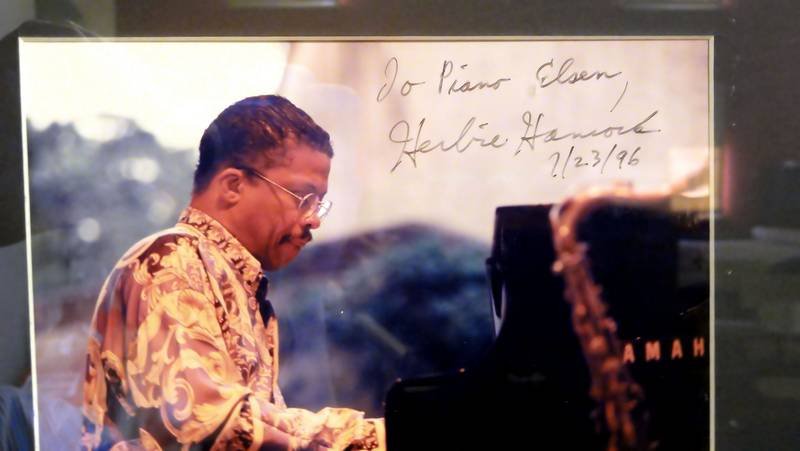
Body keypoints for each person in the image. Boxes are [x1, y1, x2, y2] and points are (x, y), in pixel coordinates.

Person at [81, 95, 385, 450]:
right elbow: (212, 423)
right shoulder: (167, 262)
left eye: (320, 203)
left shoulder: (236, 280)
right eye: (303, 197)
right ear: (233, 186)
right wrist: (380, 436)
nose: (314, 219)